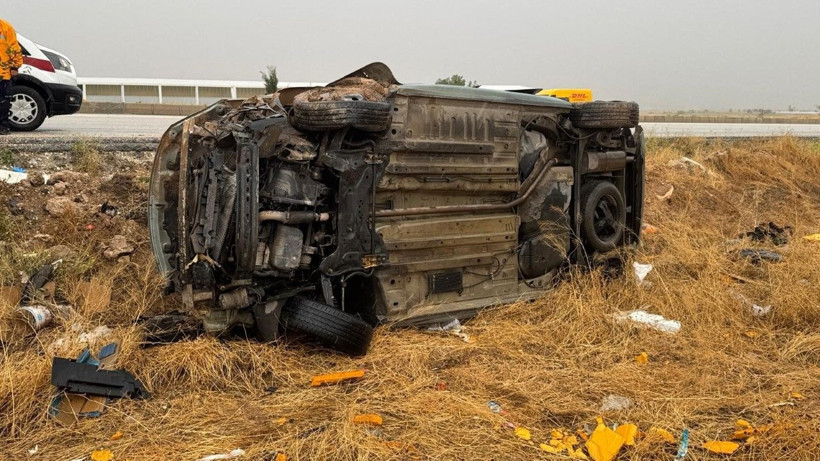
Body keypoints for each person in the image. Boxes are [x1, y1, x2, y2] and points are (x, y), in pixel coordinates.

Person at [0, 18, 23, 135]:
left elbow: (14, 48)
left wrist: (14, 66)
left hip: (2, 72)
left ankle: (3, 126)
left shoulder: (5, 28)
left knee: (4, 101)